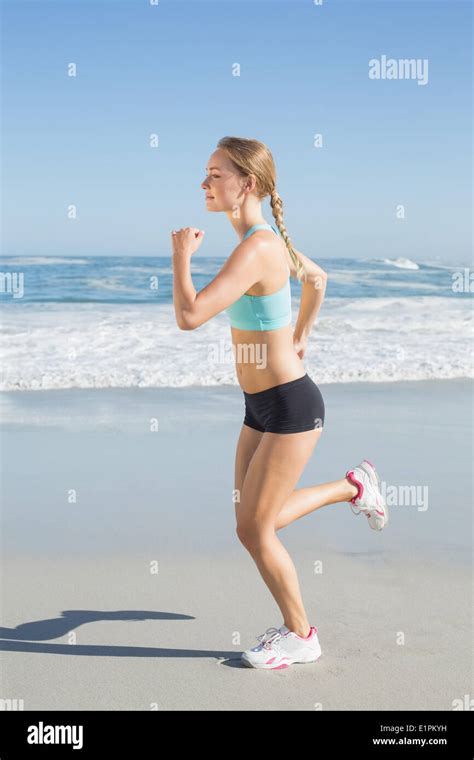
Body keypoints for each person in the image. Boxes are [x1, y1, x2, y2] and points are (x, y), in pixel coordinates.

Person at [171, 136, 388, 670]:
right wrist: (301, 333)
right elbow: (316, 278)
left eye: (214, 174)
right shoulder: (260, 243)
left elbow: (191, 315)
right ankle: (351, 486)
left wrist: (180, 257)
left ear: (247, 183)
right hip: (260, 407)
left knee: (256, 528)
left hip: (291, 407)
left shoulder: (259, 247)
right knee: (250, 524)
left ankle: (301, 634)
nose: (204, 184)